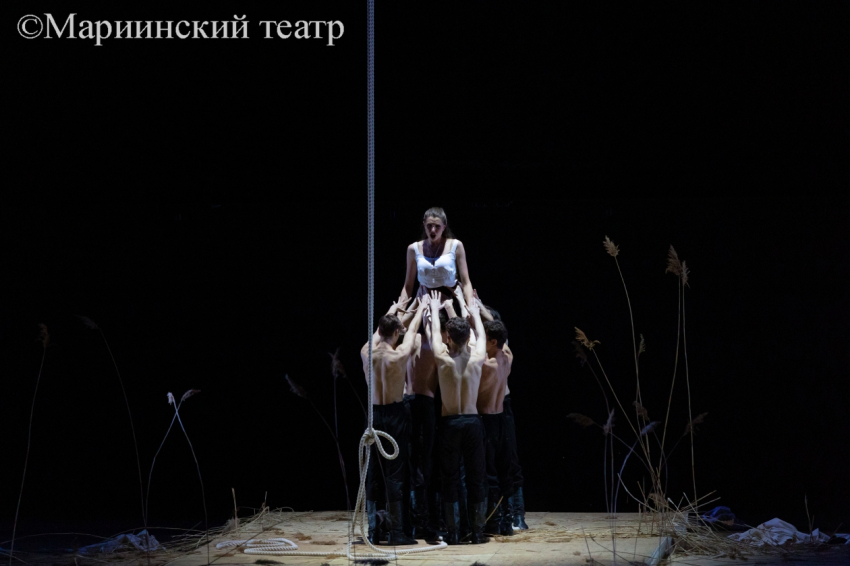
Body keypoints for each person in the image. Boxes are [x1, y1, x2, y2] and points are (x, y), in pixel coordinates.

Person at [360, 296, 428, 545]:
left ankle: (374, 531)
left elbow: (378, 333)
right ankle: (396, 532)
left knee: (373, 472)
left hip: (373, 416)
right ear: (397, 333)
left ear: (379, 331)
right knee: (395, 472)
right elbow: (412, 329)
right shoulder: (399, 355)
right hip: (394, 416)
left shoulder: (366, 352)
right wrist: (420, 309)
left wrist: (393, 309)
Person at [428, 289, 489, 544]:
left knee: (450, 478)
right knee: (476, 478)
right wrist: (473, 311)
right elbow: (481, 335)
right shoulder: (478, 357)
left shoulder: (442, 359)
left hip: (451, 424)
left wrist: (434, 309)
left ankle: (453, 533)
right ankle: (477, 532)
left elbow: (434, 333)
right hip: (472, 423)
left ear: (449, 338)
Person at [474, 293, 528, 530]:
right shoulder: (486, 352)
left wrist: (477, 309)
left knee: (509, 462)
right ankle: (496, 516)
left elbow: (498, 329)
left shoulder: (500, 353)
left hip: (501, 409)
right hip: (485, 412)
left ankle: (517, 514)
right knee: (489, 466)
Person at [476, 319, 516, 536]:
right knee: (504, 470)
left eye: (485, 338)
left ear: (492, 341)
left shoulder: (486, 364)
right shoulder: (508, 357)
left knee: (490, 471)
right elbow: (503, 339)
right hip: (502, 419)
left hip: (488, 421)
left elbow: (471, 349)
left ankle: (494, 521)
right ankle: (507, 522)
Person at [400, 207, 476, 310]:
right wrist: (400, 311)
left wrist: (470, 307)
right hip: (426, 302)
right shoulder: (413, 249)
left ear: (444, 226)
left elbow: (466, 282)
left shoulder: (455, 245)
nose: (433, 230)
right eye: (429, 225)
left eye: (437, 226)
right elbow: (408, 286)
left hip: (451, 300)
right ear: (424, 224)